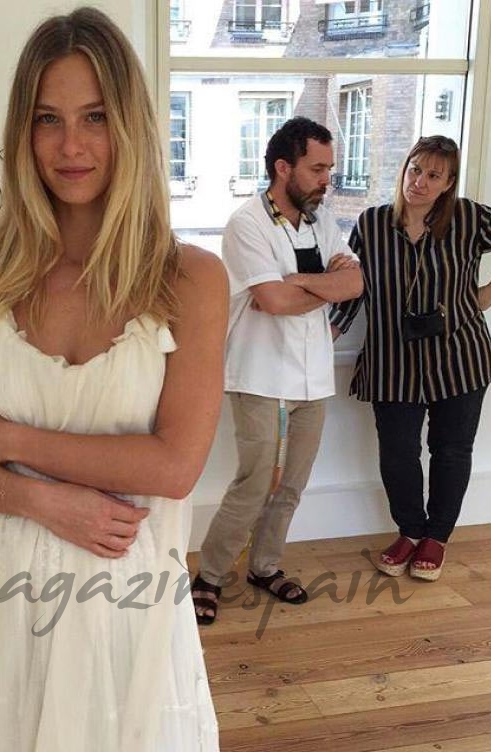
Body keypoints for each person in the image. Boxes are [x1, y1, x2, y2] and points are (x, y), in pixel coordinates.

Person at [0, 8, 228, 751]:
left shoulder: (191, 278)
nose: (71, 145)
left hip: (126, 591)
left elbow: (175, 466)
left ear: (131, 127)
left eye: (95, 117)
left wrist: (11, 440)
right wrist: (42, 501)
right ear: (23, 131)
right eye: (48, 119)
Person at [191, 117, 363, 625]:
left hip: (313, 374)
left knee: (292, 485)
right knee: (254, 483)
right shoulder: (246, 224)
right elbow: (272, 300)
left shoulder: (321, 221)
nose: (327, 179)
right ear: (283, 168)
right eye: (317, 169)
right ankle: (209, 577)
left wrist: (299, 282)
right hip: (259, 374)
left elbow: (354, 283)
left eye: (330, 168)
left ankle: (264, 567)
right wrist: (319, 284)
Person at [331, 135, 491, 582]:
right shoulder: (372, 224)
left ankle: (436, 538)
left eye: (433, 175)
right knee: (398, 452)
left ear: (448, 183)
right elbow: (354, 290)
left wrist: (483, 296)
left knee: (451, 451)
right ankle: (409, 530)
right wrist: (326, 334)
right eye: (415, 169)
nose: (419, 182)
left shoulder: (469, 219)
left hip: (460, 357)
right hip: (392, 361)